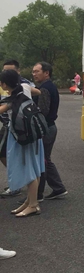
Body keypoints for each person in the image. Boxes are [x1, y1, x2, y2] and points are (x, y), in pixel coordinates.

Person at [0, 69, 45, 217]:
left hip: (21, 138)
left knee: (28, 170)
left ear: (4, 84)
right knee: (34, 168)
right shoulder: (24, 88)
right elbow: (38, 92)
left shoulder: (12, 101)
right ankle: (29, 201)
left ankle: (33, 205)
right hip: (33, 135)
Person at [32, 62, 68, 201]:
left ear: (46, 73)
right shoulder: (49, 86)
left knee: (41, 160)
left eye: (37, 71)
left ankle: (37, 194)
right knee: (45, 159)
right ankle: (58, 188)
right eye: (33, 72)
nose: (34, 74)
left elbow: (43, 111)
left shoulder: (44, 89)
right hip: (50, 127)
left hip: (45, 128)